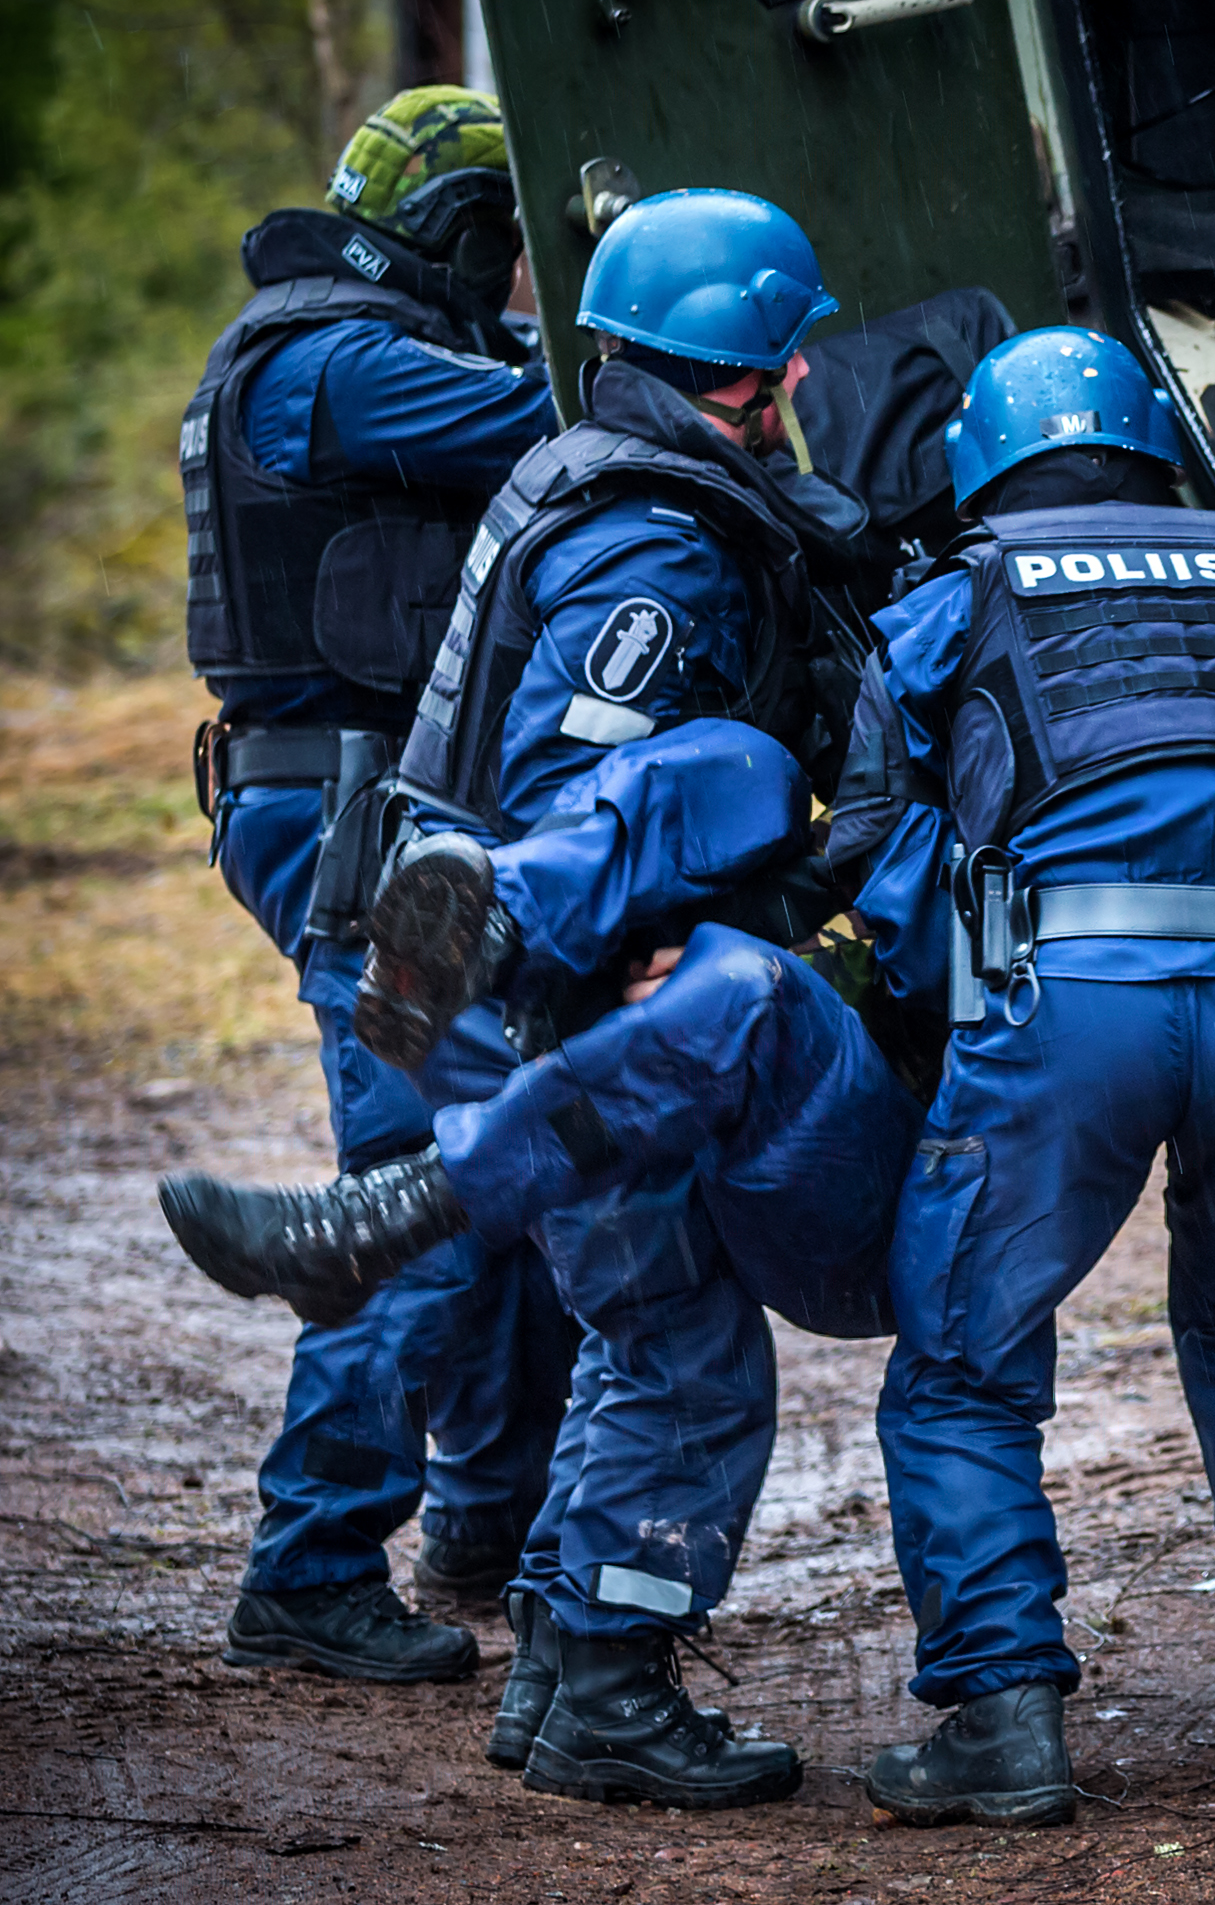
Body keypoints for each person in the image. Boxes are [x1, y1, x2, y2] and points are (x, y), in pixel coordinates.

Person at [161, 188, 949, 1810]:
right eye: (783, 361)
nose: (800, 384)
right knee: (679, 1356)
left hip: (518, 1000)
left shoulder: (588, 474)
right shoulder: (657, 538)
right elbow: (576, 775)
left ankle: (557, 1659)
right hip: (591, 990)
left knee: (639, 1329)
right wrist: (626, 926)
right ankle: (600, 1691)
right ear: (754, 366)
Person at [826, 326, 1215, 1828]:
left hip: (1062, 998)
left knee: (962, 1363)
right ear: (1149, 436)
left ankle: (1008, 1723)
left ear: (980, 462)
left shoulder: (954, 595)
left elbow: (871, 846)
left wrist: (931, 992)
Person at [180, 85, 575, 1681]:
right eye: (507, 254)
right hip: (348, 825)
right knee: (406, 1196)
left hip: (364, 815)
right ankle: (314, 1562)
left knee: (488, 1159)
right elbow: (541, 420)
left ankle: (484, 1514)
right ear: (467, 239)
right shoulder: (328, 358)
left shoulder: (314, 343)